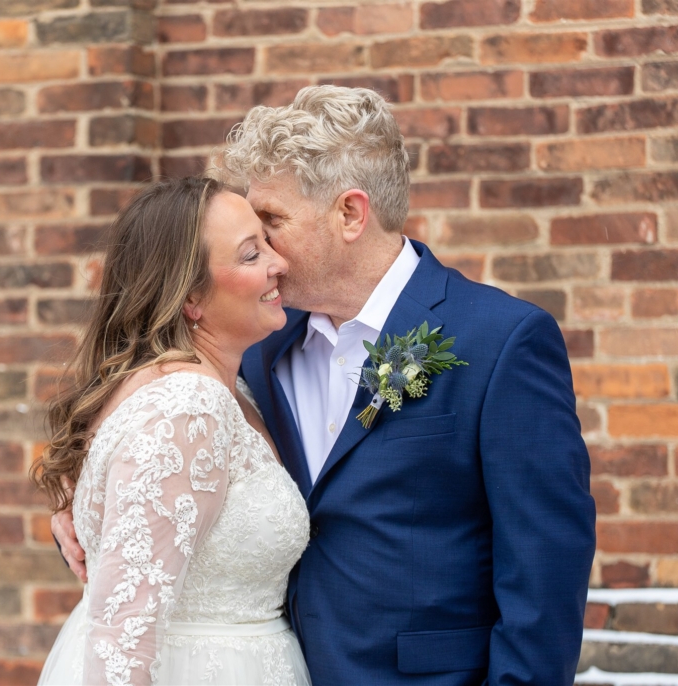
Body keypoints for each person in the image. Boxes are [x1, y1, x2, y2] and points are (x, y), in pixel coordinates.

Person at [56, 85, 597, 685]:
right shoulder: (256, 343)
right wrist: (78, 512)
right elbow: (161, 456)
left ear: (350, 214)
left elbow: (545, 575)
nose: (266, 253)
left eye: (272, 223)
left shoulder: (499, 342)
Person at [33, 176, 313, 686]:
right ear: (190, 299)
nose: (279, 263)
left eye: (267, 242)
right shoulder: (190, 405)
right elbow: (121, 643)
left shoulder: (229, 390)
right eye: (251, 255)